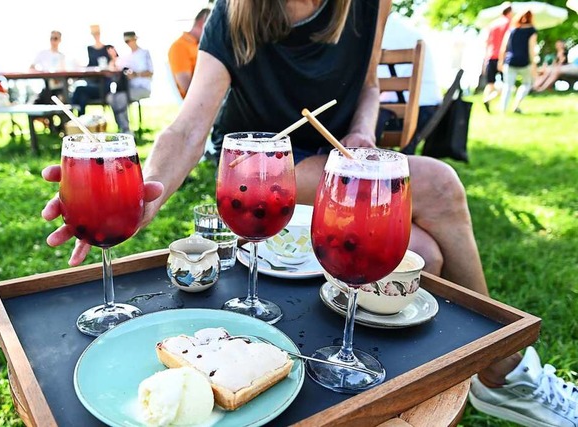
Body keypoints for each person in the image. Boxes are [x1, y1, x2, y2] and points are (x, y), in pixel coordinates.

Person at [41, 2, 576, 425]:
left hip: (341, 161)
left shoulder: (366, 4)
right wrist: (140, 198)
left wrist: (363, 133)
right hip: (256, 166)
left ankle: (391, 382)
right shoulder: (235, 13)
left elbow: (368, 86)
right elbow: (187, 125)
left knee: (425, 255)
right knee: (436, 181)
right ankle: (505, 368)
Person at [376, 12, 442, 155]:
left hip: (405, 113)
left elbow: (374, 84)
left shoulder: (378, 30)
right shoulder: (404, 29)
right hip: (429, 109)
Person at [106, 31, 153, 133]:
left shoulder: (144, 53)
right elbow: (114, 68)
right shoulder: (126, 56)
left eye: (129, 40)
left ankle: (126, 130)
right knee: (111, 97)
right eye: (126, 41)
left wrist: (135, 74)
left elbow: (150, 72)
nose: (128, 43)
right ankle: (122, 127)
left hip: (142, 88)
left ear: (135, 39)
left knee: (121, 98)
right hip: (128, 88)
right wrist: (113, 58)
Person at [498, 10, 537, 114]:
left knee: (507, 86)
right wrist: (533, 63)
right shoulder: (531, 30)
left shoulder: (512, 30)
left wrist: (500, 61)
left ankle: (503, 110)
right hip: (524, 62)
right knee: (527, 83)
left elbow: (504, 47)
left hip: (510, 61)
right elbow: (531, 49)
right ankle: (516, 105)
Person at [71, 24, 114, 116]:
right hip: (92, 84)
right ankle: (80, 123)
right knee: (83, 97)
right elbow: (89, 66)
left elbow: (115, 65)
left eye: (97, 33)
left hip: (104, 86)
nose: (96, 35)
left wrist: (113, 59)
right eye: (94, 33)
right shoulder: (90, 49)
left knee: (79, 89)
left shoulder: (109, 48)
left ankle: (70, 111)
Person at [168, 8, 211, 99]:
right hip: (199, 101)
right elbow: (186, 86)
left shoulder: (200, 45)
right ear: (202, 23)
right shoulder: (179, 46)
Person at [482, 2, 513, 113]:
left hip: (490, 56)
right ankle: (490, 99)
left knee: (490, 84)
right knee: (507, 85)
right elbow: (509, 42)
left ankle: (486, 101)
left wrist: (485, 58)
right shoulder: (509, 23)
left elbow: (487, 41)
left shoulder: (493, 24)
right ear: (510, 12)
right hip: (503, 57)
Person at [30, 30, 66, 104]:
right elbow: (31, 67)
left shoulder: (62, 56)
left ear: (60, 40)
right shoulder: (43, 53)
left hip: (58, 87)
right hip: (45, 86)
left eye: (55, 38)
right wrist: (42, 73)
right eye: (51, 38)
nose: (53, 41)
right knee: (36, 104)